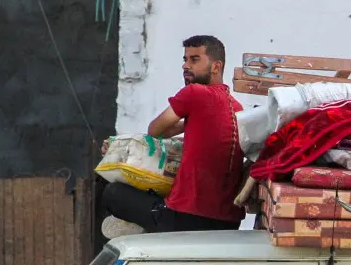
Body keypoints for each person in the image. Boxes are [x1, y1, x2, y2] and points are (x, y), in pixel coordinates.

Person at [100, 35, 247, 238]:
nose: (186, 66)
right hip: (228, 222)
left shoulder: (195, 93)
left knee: (113, 192)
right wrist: (190, 122)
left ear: (216, 66)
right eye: (185, 59)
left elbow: (155, 130)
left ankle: (139, 229)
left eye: (194, 60)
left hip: (185, 218)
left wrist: (184, 122)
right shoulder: (237, 108)